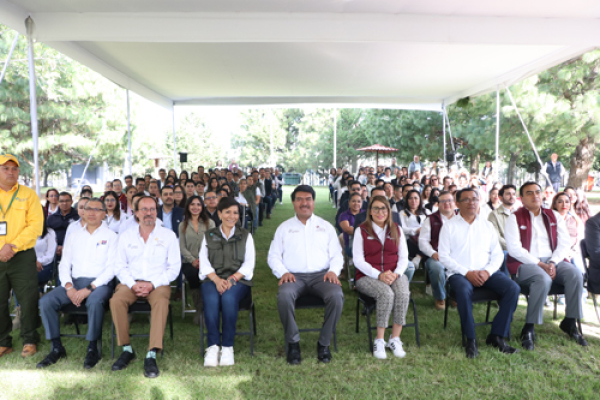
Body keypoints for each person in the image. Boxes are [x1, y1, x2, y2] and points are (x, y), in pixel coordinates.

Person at [438, 188, 520, 358]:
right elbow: (444, 257)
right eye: (466, 200)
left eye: (474, 199)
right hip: (459, 274)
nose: (471, 203)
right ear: (458, 203)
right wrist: (467, 272)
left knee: (512, 288)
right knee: (462, 290)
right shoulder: (449, 226)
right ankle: (470, 339)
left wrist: (487, 272)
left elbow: (497, 254)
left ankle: (497, 335)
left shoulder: (487, 225)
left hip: (486, 272)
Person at [505, 182, 587, 350]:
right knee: (542, 279)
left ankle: (570, 322)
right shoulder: (514, 217)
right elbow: (514, 249)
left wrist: (552, 262)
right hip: (525, 262)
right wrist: (540, 264)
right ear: (521, 199)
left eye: (537, 192)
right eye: (529, 193)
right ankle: (529, 327)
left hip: (553, 260)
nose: (535, 195)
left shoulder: (553, 215)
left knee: (575, 274)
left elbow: (564, 243)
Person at [268, 185, 344, 365]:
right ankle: (293, 343)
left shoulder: (325, 227)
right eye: (300, 199)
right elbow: (273, 256)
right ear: (293, 203)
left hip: (322, 276)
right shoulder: (284, 228)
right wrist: (283, 272)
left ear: (313, 202)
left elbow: (337, 255)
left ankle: (324, 344)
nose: (304, 203)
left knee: (337, 296)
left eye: (308, 199)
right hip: (293, 276)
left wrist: (333, 271)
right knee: (284, 296)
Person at [37, 198, 116, 370]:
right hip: (73, 283)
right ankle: (57, 347)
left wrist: (89, 289)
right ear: (83, 212)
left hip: (100, 284)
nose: (92, 213)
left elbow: (111, 269)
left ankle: (92, 347)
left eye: (96, 209)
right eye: (88, 209)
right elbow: (64, 264)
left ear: (103, 213)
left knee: (95, 302)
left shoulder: (111, 236)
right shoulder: (74, 235)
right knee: (46, 301)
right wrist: (69, 287)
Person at [110, 196, 181, 378]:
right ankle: (127, 349)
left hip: (158, 283)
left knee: (161, 303)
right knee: (116, 300)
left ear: (156, 212)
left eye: (152, 209)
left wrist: (152, 284)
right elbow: (119, 265)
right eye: (144, 209)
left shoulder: (168, 235)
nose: (148, 213)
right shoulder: (126, 236)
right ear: (136, 213)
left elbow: (174, 268)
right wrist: (133, 284)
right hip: (131, 282)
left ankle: (151, 353)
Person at [352, 196, 410, 359]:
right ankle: (379, 340)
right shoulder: (361, 230)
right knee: (386, 294)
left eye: (383, 208)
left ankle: (395, 338)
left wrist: (396, 273)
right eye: (375, 208)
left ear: (388, 211)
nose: (380, 212)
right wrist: (379, 275)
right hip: (367, 276)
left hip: (394, 273)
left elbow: (404, 257)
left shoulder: (396, 229)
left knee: (403, 293)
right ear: (370, 211)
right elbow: (358, 260)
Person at [200, 197, 255, 367]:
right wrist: (217, 280)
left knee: (228, 298)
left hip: (238, 281)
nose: (232, 216)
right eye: (228, 212)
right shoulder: (209, 235)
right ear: (219, 214)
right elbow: (203, 261)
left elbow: (249, 263)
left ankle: (228, 346)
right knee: (211, 299)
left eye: (236, 213)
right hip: (212, 279)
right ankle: (213, 346)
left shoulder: (245, 236)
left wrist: (231, 279)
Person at [0, 155, 44, 359]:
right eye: (6, 168)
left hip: (22, 255)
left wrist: (13, 246)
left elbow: (35, 225)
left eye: (15, 169)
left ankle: (29, 339)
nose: (11, 172)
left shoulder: (28, 195)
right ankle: (3, 342)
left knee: (27, 299)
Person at [179, 196, 215, 324]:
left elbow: (212, 244)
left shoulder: (209, 223)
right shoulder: (182, 225)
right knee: (192, 274)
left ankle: (209, 308)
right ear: (188, 206)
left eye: (198, 205)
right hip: (189, 262)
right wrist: (193, 260)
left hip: (207, 260)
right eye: (192, 204)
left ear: (202, 206)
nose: (195, 207)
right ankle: (199, 309)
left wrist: (202, 260)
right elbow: (182, 247)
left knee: (207, 275)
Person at [419, 191, 456, 310]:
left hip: (457, 255)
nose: (447, 204)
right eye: (443, 201)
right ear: (438, 204)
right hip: (437, 255)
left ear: (454, 203)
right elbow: (422, 241)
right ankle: (440, 297)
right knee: (436, 268)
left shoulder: (462, 218)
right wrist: (433, 253)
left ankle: (454, 296)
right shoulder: (430, 219)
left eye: (449, 200)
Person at [552, 193, 585, 275]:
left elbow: (580, 238)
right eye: (560, 202)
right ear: (555, 205)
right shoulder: (550, 220)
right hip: (556, 253)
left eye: (567, 202)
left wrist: (573, 251)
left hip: (573, 253)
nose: (564, 204)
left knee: (580, 271)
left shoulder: (574, 220)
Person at [488, 185, 518, 275]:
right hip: (504, 249)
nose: (512, 196)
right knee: (505, 255)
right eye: (508, 194)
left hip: (521, 249)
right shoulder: (494, 215)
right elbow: (496, 238)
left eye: (513, 194)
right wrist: (513, 249)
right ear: (500, 197)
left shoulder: (520, 213)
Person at [400, 190, 430, 267]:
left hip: (426, 238)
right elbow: (401, 228)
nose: (413, 200)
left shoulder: (426, 211)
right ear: (407, 200)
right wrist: (416, 230)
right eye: (410, 198)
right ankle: (420, 256)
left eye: (416, 198)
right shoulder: (403, 213)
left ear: (420, 200)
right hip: (411, 241)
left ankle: (419, 257)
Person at [48, 192, 79, 258]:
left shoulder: (78, 217)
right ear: (58, 202)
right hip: (54, 251)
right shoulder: (51, 218)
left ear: (72, 201)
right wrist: (55, 247)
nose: (64, 203)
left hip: (74, 251)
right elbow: (46, 235)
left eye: (67, 201)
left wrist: (65, 247)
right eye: (61, 201)